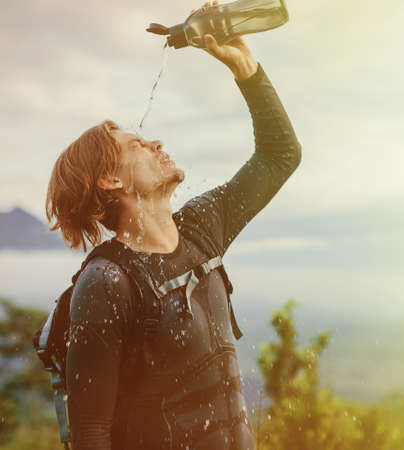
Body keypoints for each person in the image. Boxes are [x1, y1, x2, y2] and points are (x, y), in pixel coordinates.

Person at [45, 2, 301, 448]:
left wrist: (247, 69)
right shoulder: (107, 281)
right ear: (112, 180)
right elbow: (90, 433)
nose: (156, 141)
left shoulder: (204, 228)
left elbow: (280, 155)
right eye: (137, 145)